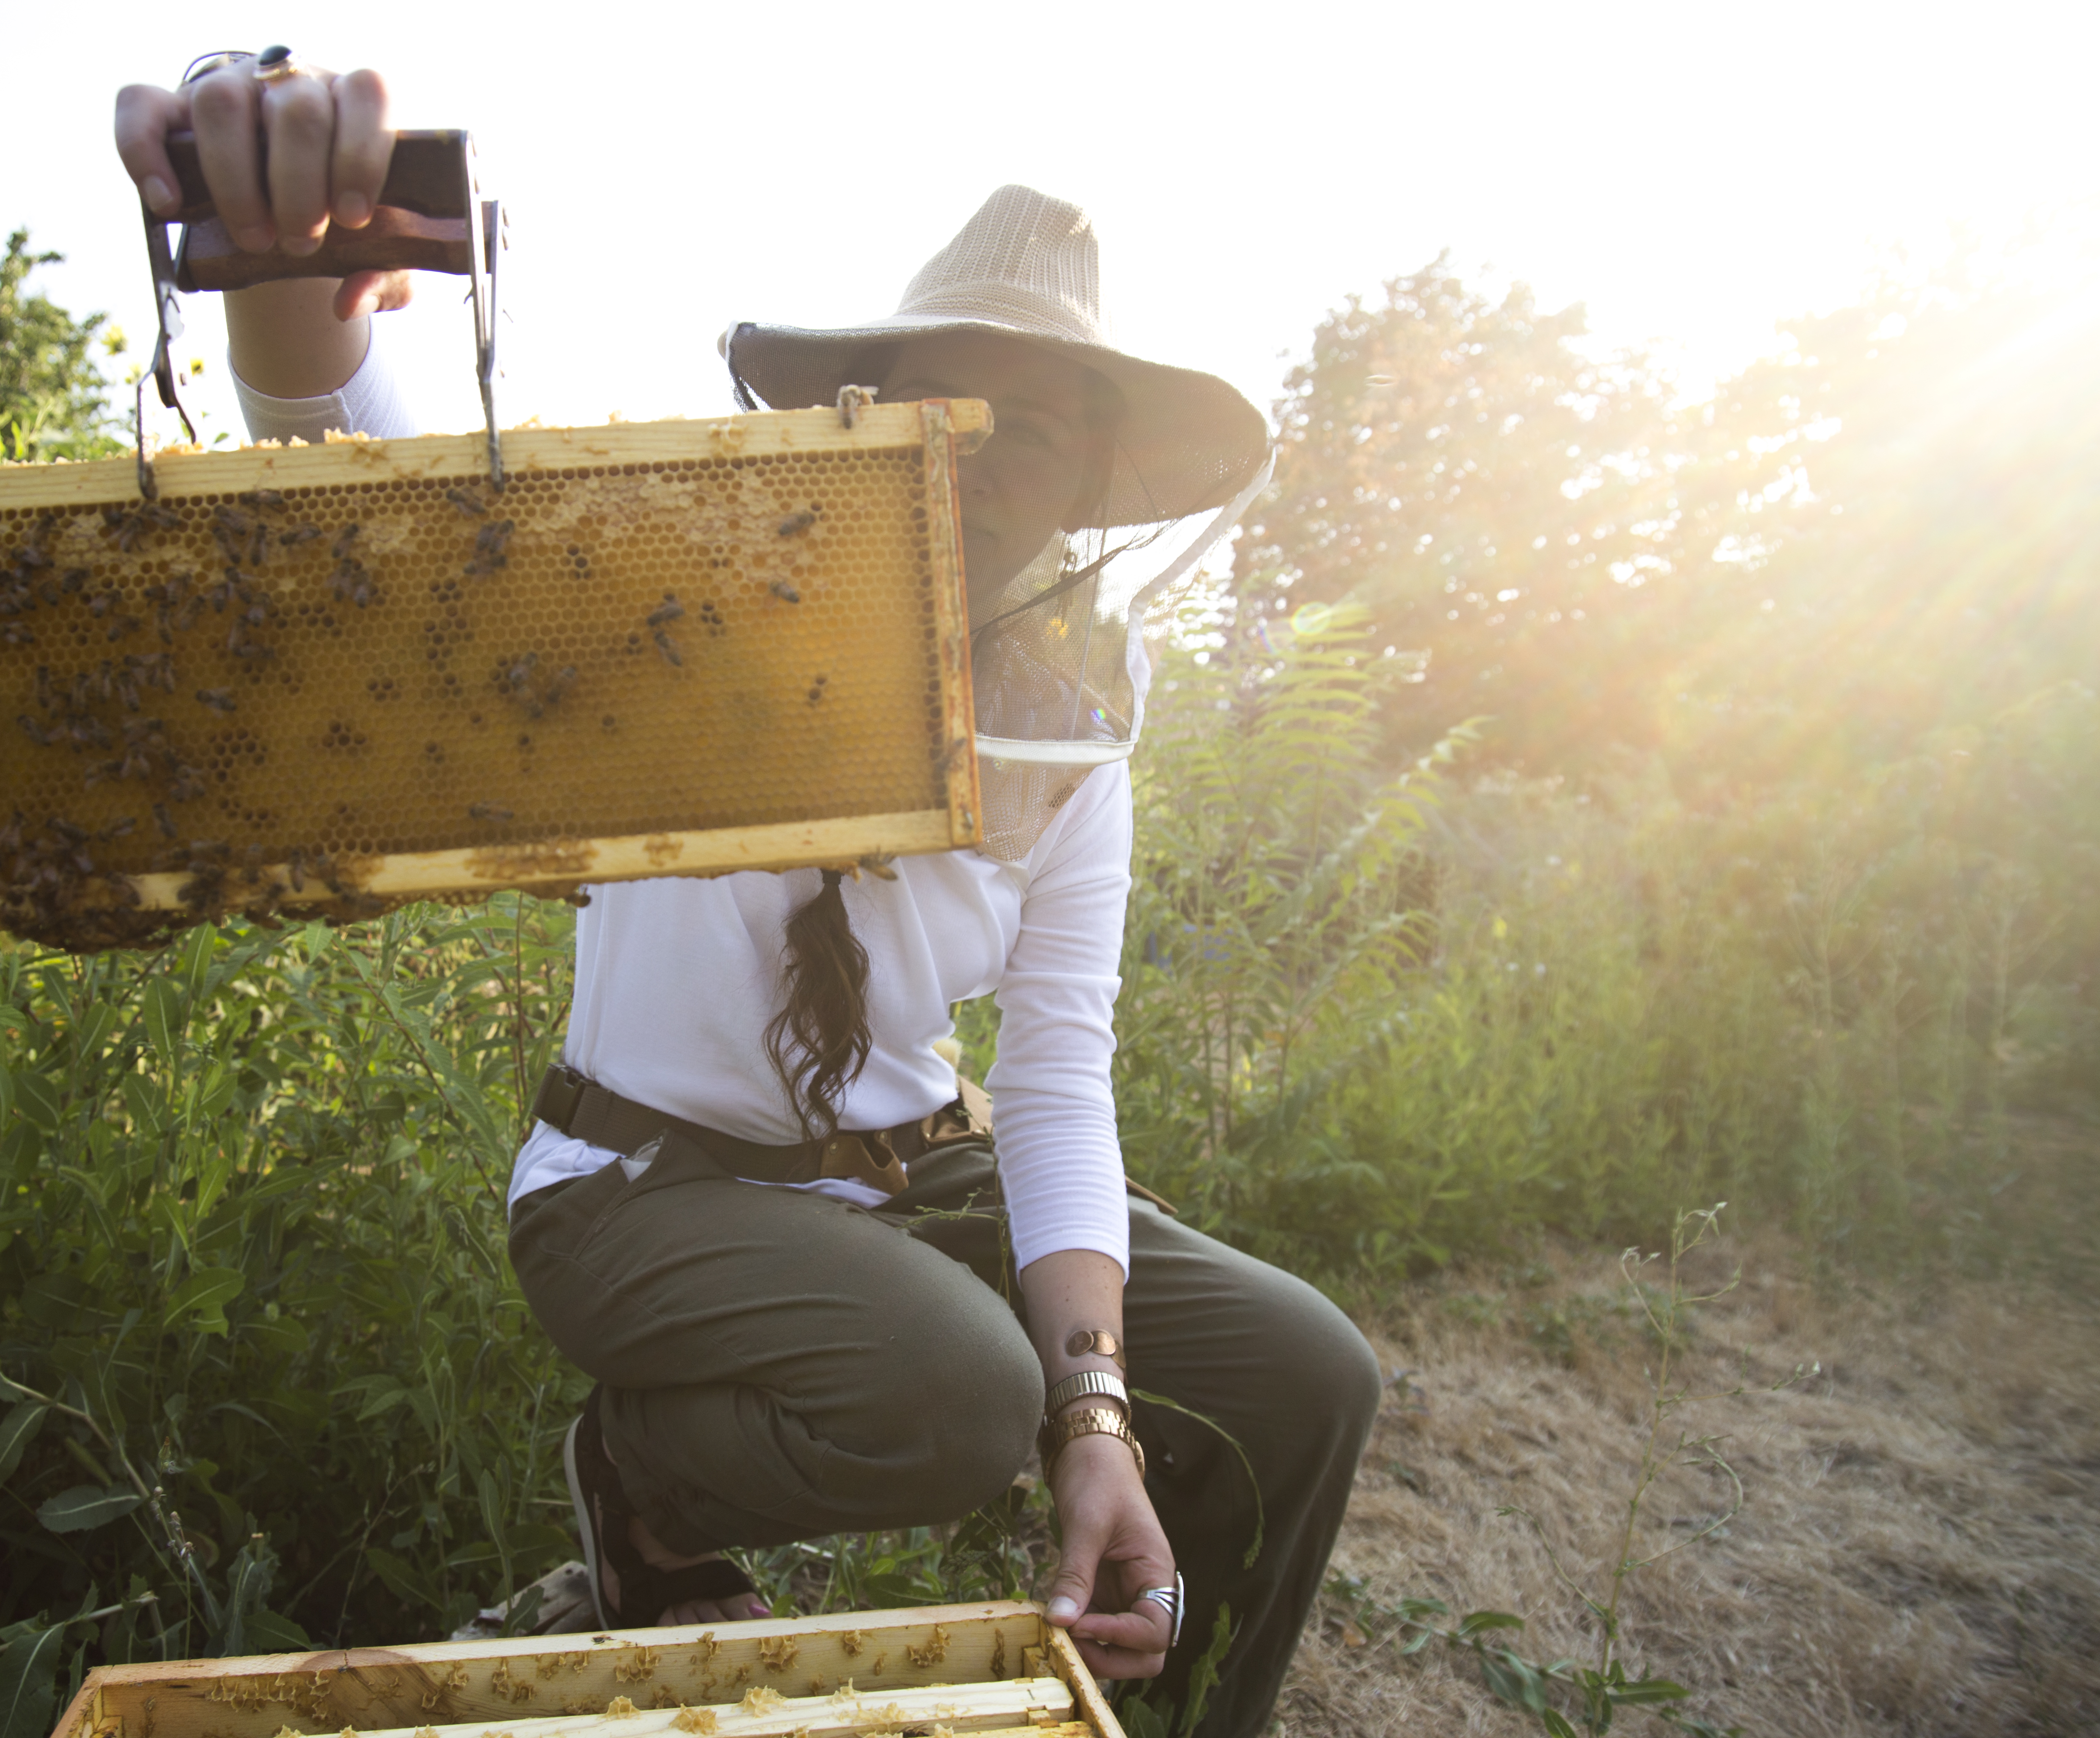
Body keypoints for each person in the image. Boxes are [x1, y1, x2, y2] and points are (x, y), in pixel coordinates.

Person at [114, 51, 1380, 1738]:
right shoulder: (686, 597)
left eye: (1052, 423)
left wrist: (1104, 1419)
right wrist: (287, 280)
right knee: (958, 1395)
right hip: (643, 1184)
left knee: (1305, 1375)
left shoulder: (1079, 735)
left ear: (1094, 489)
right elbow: (402, 518)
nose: (995, 447)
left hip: (918, 1170)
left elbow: (1060, 1075)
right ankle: (643, 1493)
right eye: (963, 393)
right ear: (865, 409)